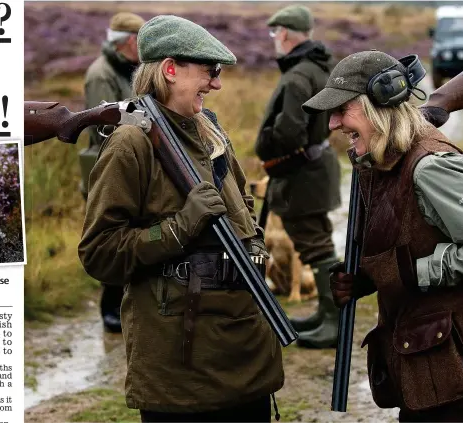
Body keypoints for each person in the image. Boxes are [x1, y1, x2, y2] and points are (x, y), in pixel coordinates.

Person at [302, 50, 463, 421]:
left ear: (381, 105)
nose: (332, 124)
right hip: (434, 358)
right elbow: (404, 236)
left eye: (342, 110)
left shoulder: (430, 166)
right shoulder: (381, 157)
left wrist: (416, 272)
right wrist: (367, 275)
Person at [78, 15, 283, 422]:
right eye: (210, 71)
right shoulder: (129, 144)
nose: (217, 83)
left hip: (242, 344)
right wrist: (180, 226)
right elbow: (100, 253)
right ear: (171, 69)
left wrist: (254, 246)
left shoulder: (208, 130)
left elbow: (242, 204)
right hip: (181, 364)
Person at [254, 4, 341, 348]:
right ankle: (327, 314)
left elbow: (290, 131)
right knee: (319, 240)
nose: (274, 38)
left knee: (314, 242)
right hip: (314, 167)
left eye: (275, 32)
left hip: (300, 172)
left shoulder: (297, 76)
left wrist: (267, 142)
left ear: (285, 33)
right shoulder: (317, 69)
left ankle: (333, 322)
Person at [82, 12, 145, 333]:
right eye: (142, 41)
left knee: (132, 235)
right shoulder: (100, 74)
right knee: (111, 238)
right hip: (107, 169)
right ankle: (110, 309)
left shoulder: (127, 70)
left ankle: (127, 304)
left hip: (128, 166)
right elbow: (102, 129)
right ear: (131, 42)